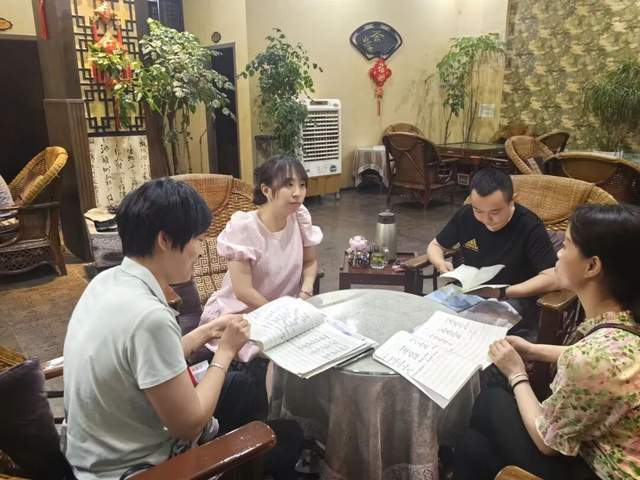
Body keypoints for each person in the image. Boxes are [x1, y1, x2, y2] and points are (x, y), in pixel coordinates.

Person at [63, 178, 302, 480]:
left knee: (241, 387)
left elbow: (141, 360)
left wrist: (205, 332)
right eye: (198, 239)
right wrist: (225, 351)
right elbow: (189, 425)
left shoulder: (105, 282)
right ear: (164, 240)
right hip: (136, 469)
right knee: (288, 436)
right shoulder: (149, 317)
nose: (201, 251)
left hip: (95, 448)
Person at [454, 203, 640, 480]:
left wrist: (516, 373)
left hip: (601, 468)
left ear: (592, 266)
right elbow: (603, 361)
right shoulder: (626, 322)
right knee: (473, 445)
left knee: (488, 403)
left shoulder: (591, 358)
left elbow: (548, 443)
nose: (558, 254)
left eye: (565, 245)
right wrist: (533, 350)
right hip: (608, 443)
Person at [427, 168, 559, 334]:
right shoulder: (466, 215)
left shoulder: (529, 225)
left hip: (512, 297)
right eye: (478, 210)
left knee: (472, 334)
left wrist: (501, 292)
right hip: (467, 290)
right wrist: (440, 263)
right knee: (426, 318)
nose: (485, 219)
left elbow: (552, 277)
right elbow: (435, 246)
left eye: (495, 212)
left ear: (512, 200)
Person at [201, 154, 323, 325]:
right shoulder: (243, 228)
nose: (298, 193)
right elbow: (243, 291)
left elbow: (310, 261)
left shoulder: (299, 217)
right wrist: (279, 315)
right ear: (266, 190)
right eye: (289, 185)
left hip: (287, 314)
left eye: (302, 185)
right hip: (241, 316)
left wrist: (305, 292)